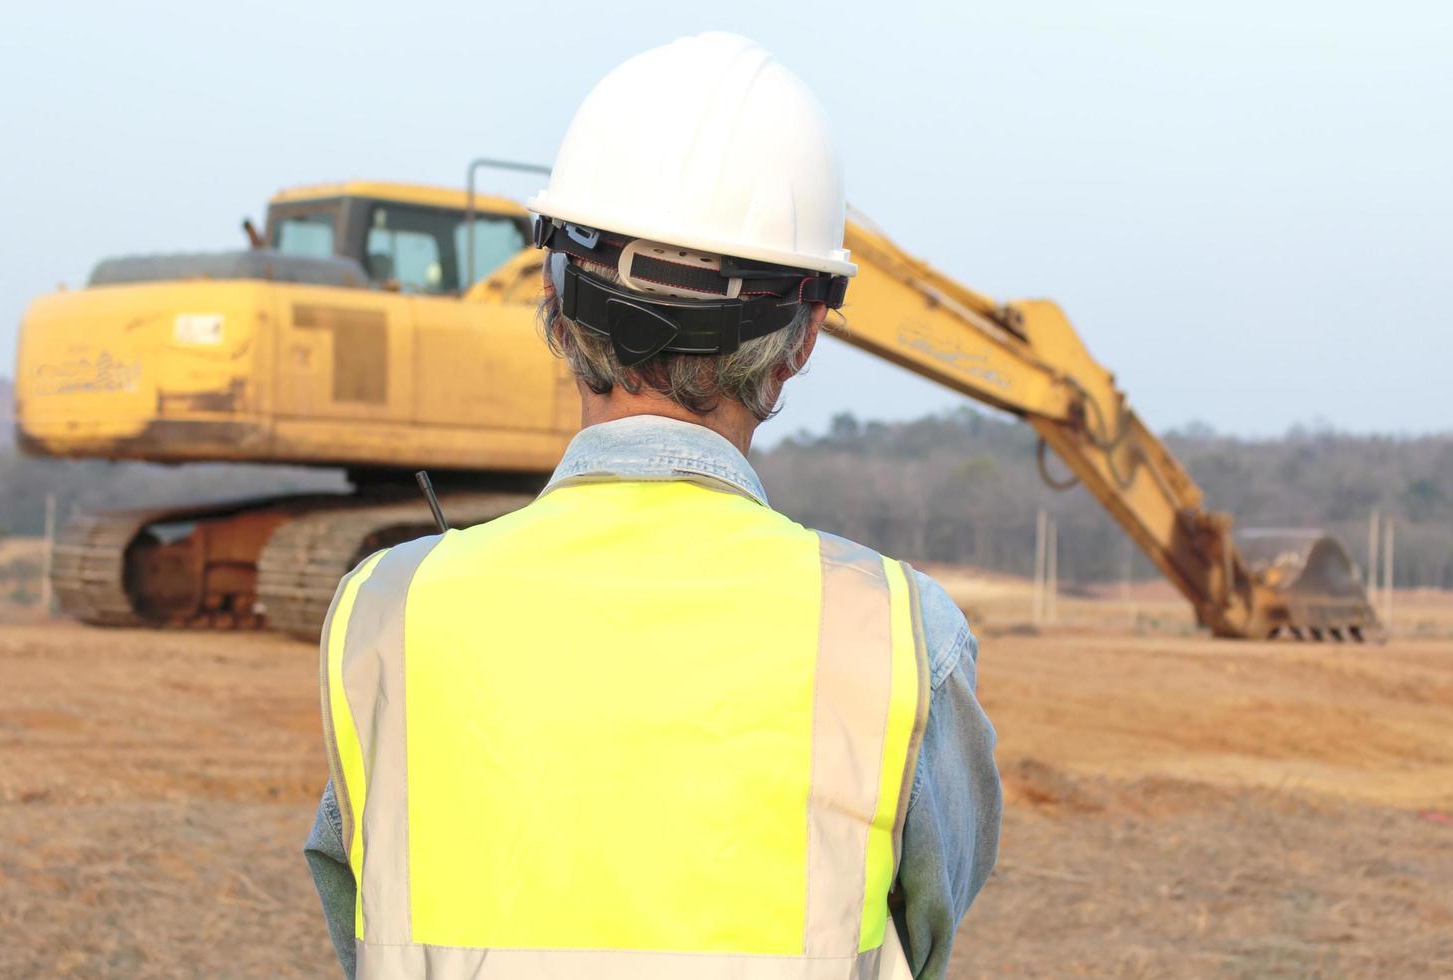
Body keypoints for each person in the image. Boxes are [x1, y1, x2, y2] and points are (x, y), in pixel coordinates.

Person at [303, 31, 1001, 980]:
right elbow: (926, 926)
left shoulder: (385, 614)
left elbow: (359, 905)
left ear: (554, 302)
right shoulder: (899, 636)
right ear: (801, 340)